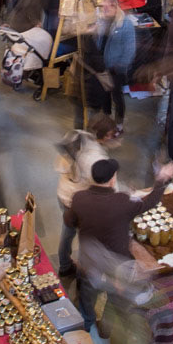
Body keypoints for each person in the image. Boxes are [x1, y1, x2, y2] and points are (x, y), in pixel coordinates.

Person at [66, 157, 173, 330]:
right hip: (117, 266)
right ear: (112, 179)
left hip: (89, 263)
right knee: (114, 298)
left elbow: (69, 221)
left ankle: (86, 326)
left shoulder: (79, 198)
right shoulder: (121, 201)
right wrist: (162, 179)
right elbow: (149, 203)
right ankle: (106, 329)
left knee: (86, 296)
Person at [55, 116, 122, 277]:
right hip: (78, 201)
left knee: (67, 231)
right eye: (113, 135)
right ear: (106, 136)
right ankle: (84, 275)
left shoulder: (77, 137)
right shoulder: (97, 159)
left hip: (63, 192)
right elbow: (107, 187)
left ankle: (64, 265)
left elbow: (59, 166)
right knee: (87, 238)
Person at [91, 0, 136, 127]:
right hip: (103, 66)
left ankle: (119, 123)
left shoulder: (125, 24)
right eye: (102, 7)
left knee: (117, 96)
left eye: (106, 7)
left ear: (115, 6)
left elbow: (130, 48)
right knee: (104, 95)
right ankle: (106, 119)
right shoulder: (103, 21)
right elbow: (98, 42)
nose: (104, 10)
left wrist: (121, 65)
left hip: (117, 68)